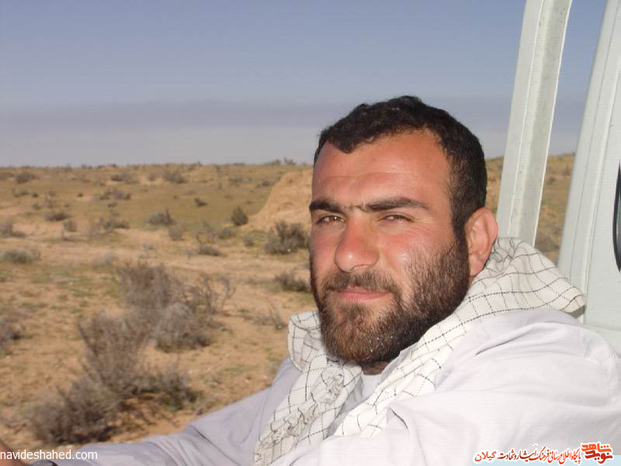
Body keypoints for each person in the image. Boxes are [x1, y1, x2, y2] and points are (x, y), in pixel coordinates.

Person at [1, 96, 619, 466]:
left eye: (393, 217)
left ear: (476, 240)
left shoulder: (551, 376)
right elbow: (204, 453)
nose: (348, 254)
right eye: (330, 218)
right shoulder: (337, 364)